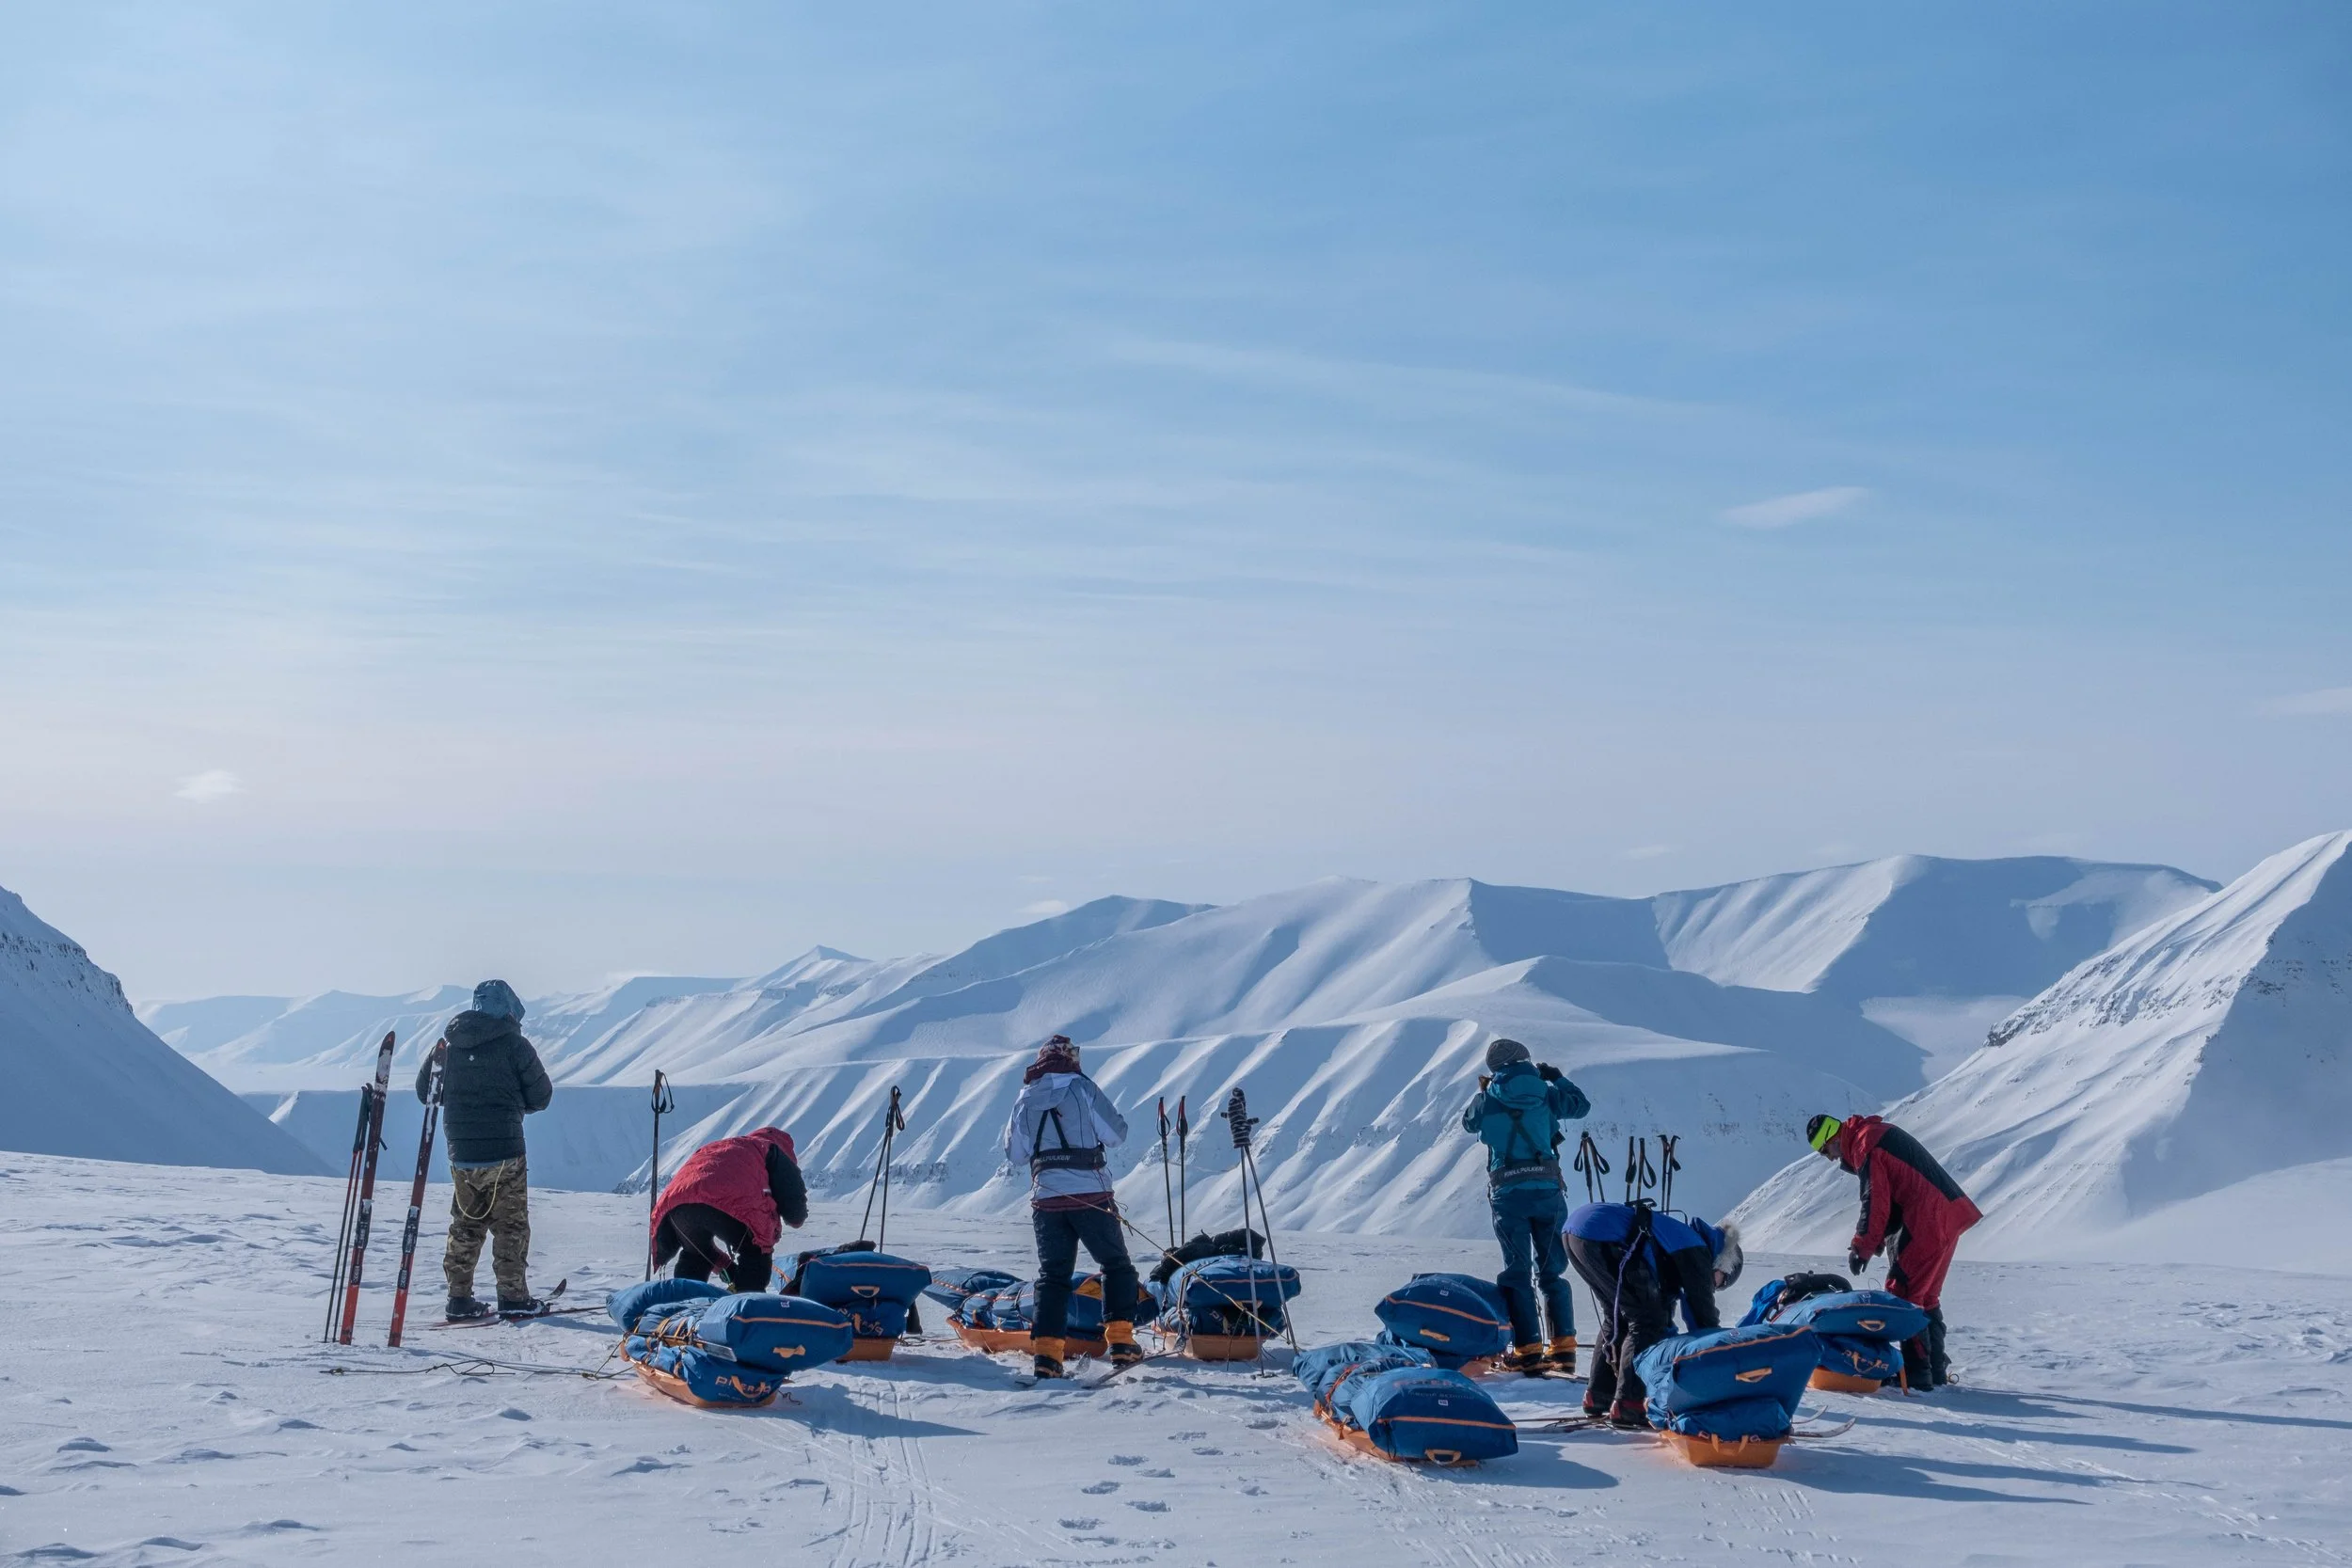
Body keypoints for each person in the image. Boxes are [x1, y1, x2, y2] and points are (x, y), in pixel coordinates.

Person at [1806, 1113, 1980, 1389]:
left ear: (1833, 1137)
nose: (1829, 1158)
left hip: (1927, 1219)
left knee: (1904, 1294)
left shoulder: (1866, 1144)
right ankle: (1934, 1372)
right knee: (1926, 1296)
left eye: (1825, 1150)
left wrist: (1862, 1246)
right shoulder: (1873, 1135)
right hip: (1948, 1214)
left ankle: (1916, 1375)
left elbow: (1875, 1199)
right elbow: (1889, 1198)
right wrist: (1872, 1243)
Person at [1004, 1035, 1142, 1379]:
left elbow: (1015, 1154)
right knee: (1115, 1265)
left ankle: (1048, 1355)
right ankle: (1122, 1344)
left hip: (1047, 1197)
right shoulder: (1083, 1087)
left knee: (1053, 1276)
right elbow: (1116, 1133)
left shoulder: (1025, 1098)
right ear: (1071, 1059)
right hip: (1090, 1193)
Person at [423, 979, 553, 1321]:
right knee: (510, 1226)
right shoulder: (515, 1045)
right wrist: (515, 1104)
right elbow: (542, 1096)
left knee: (466, 1225)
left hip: (461, 1153)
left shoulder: (448, 1045)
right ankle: (513, 1298)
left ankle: (458, 1298)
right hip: (505, 1149)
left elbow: (427, 1092)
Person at [1460, 1038, 1591, 1374]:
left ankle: (1528, 1350)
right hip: (1547, 1190)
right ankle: (1564, 1350)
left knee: (1517, 1272)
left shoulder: (1488, 1098)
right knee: (1552, 1271)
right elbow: (1580, 1106)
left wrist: (1486, 1093)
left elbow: (1469, 1123)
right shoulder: (1546, 1093)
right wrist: (1557, 1078)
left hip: (1508, 1194)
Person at [1563, 1200, 1743, 1425]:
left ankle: (1598, 1395)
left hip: (1576, 1230)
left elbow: (1669, 1301)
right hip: (1601, 1233)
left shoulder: (1682, 1238)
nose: (1714, 1287)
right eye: (1720, 1281)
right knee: (1646, 1321)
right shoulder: (1696, 1248)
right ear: (1722, 1265)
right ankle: (1629, 1404)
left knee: (1617, 1316)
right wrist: (1716, 1356)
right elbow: (1701, 1312)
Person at [650, 1127, 810, 1291]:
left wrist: (729, 1269)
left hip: (678, 1205)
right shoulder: (772, 1149)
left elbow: (707, 1244)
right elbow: (794, 1206)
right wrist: (796, 1217)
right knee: (756, 1253)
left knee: (696, 1255)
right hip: (730, 1198)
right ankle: (747, 1308)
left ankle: (682, 1305)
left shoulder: (730, 1147)